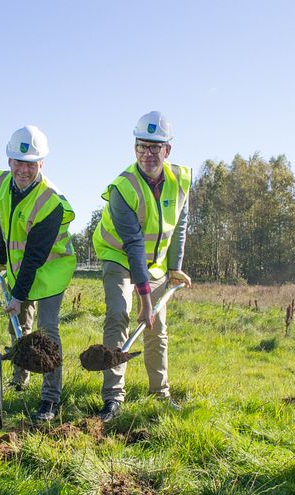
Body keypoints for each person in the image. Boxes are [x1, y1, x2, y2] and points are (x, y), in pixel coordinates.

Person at [92, 111, 192, 422]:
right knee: (120, 315)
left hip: (156, 263)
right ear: (134, 148)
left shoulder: (181, 180)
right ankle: (113, 397)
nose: (147, 154)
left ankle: (159, 393)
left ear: (168, 150)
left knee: (157, 328)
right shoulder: (123, 188)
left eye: (155, 147)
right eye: (141, 147)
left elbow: (180, 224)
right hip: (118, 255)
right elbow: (134, 245)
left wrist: (174, 266)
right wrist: (145, 300)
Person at [0, 125, 76, 422]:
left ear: (42, 164)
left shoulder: (50, 200)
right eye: (18, 162)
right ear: (9, 161)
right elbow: (1, 221)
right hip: (17, 268)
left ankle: (50, 398)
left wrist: (18, 294)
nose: (24, 170)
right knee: (17, 326)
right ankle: (19, 377)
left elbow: (36, 256)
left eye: (31, 163)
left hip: (51, 270)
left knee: (47, 331)